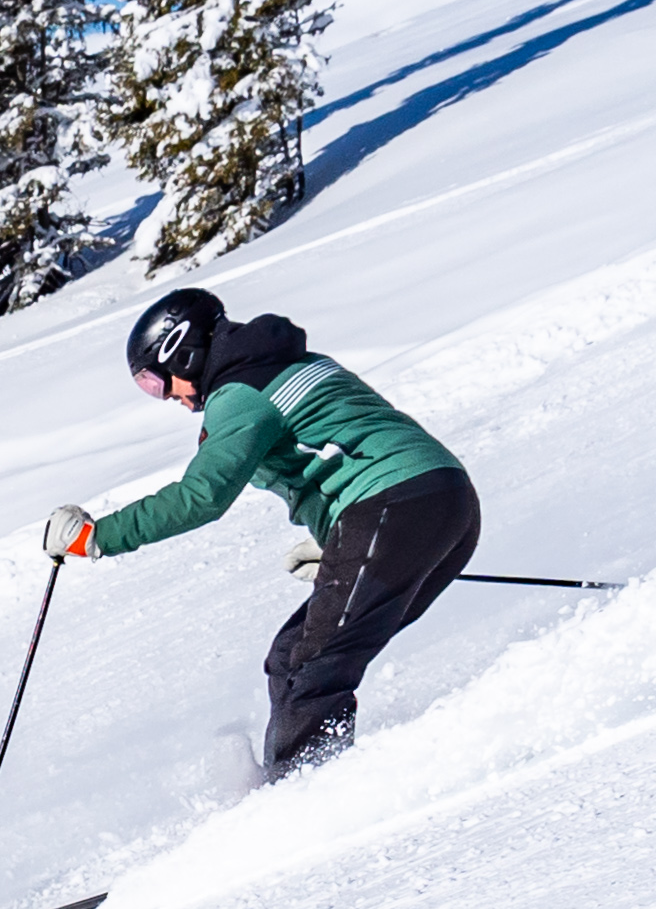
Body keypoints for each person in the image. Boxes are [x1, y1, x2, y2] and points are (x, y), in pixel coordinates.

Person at [45, 288, 484, 780]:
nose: (165, 395)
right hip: (444, 501)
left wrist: (96, 536)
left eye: (155, 380)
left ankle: (306, 798)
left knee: (312, 667)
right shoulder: (293, 363)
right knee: (289, 656)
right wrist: (336, 539)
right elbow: (337, 453)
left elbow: (202, 496)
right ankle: (296, 780)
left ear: (183, 352)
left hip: (395, 505)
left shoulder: (240, 396)